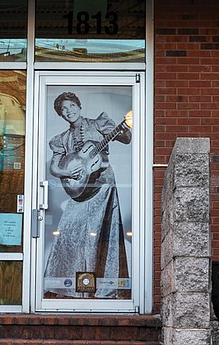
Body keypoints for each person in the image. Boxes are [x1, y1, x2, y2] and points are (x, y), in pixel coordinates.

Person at [44, 91, 131, 299]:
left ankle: (99, 287)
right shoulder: (61, 139)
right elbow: (55, 167)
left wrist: (122, 130)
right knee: (68, 231)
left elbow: (126, 138)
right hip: (79, 191)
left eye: (71, 106)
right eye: (64, 110)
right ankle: (66, 287)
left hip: (102, 185)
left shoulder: (99, 123)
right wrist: (67, 172)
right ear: (61, 115)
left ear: (79, 106)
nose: (69, 111)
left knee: (98, 234)